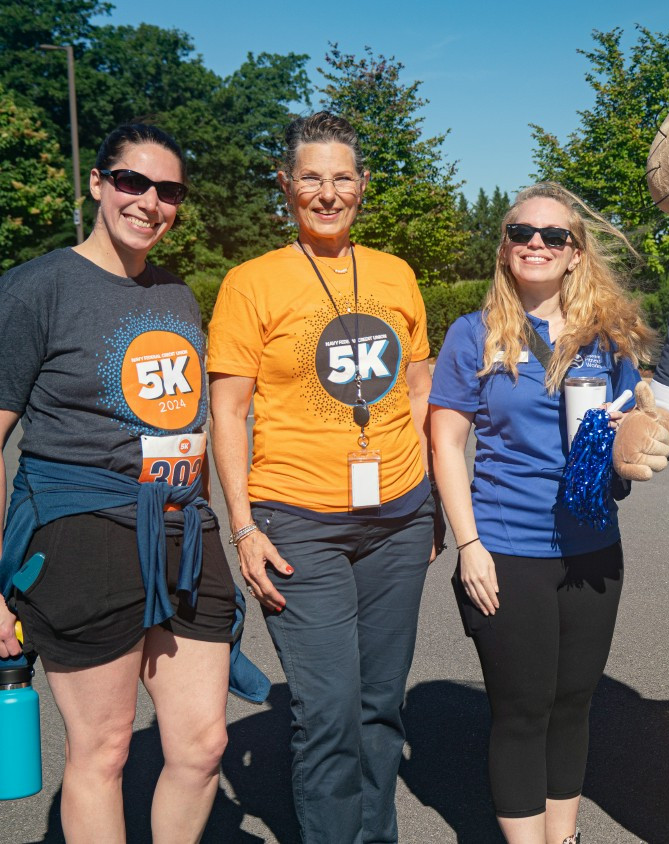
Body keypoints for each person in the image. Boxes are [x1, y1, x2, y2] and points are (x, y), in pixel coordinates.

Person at [0, 124, 238, 843]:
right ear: (99, 183)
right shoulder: (36, 288)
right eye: (133, 182)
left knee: (202, 748)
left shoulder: (176, 293)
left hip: (182, 531)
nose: (150, 202)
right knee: (102, 751)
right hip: (81, 533)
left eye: (168, 191)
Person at [207, 111, 437, 844]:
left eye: (342, 177)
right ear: (287, 186)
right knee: (329, 710)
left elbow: (422, 384)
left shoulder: (396, 273)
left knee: (379, 704)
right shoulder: (251, 283)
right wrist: (243, 527)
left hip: (398, 515)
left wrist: (424, 491)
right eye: (311, 178)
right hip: (297, 518)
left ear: (362, 186)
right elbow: (228, 412)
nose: (327, 192)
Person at [427, 182, 651, 844]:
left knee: (573, 707)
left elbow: (637, 429)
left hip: (592, 548)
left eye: (554, 236)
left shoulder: (608, 340)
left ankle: (565, 837)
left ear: (576, 253)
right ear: (504, 247)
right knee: (522, 712)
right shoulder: (474, 336)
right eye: (522, 233)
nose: (536, 245)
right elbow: (445, 442)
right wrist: (469, 546)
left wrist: (634, 437)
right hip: (507, 550)